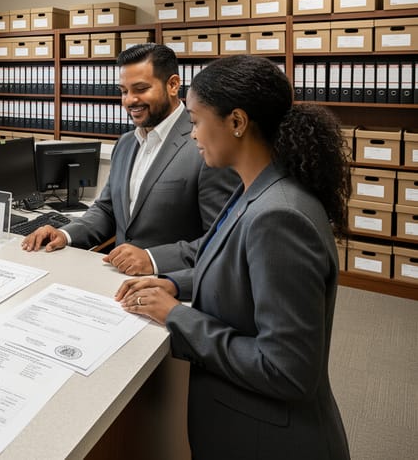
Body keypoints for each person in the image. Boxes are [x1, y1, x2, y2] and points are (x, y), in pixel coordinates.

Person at [116, 55, 350, 459]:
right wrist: (174, 283)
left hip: (271, 441)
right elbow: (237, 269)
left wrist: (176, 314)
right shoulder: (254, 189)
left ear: (237, 122)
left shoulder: (279, 216)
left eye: (195, 120)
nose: (191, 136)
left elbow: (286, 369)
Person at [22, 43, 238, 276]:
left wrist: (153, 259)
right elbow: (106, 209)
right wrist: (65, 233)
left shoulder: (206, 146)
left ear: (173, 85)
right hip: (116, 284)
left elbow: (223, 241)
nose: (129, 100)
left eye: (141, 89)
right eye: (124, 91)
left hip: (170, 291)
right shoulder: (125, 143)